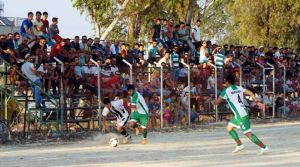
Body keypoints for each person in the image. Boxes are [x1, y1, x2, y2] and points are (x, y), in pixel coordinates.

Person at [212, 74, 269, 155]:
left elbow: (217, 103)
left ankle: (263, 147)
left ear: (227, 82)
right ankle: (239, 144)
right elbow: (251, 93)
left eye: (225, 82)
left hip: (240, 114)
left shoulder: (226, 90)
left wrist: (212, 101)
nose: (224, 84)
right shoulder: (239, 88)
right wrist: (257, 102)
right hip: (241, 112)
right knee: (229, 127)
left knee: (247, 133)